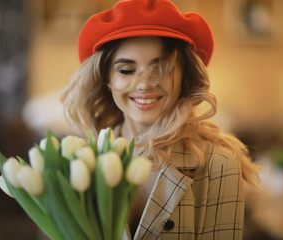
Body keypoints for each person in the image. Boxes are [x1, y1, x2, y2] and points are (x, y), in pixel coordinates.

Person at [61, 0, 259, 239]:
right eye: (126, 70)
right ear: (107, 79)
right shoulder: (83, 160)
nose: (144, 84)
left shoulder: (219, 164)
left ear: (184, 75)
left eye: (162, 68)